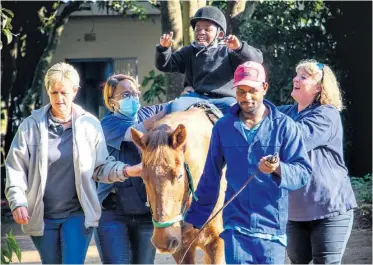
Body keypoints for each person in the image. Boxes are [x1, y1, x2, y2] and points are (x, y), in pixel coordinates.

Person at [4, 62, 141, 264]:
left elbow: (100, 167)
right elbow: (16, 167)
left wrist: (128, 170)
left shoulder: (89, 124)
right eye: (54, 92)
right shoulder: (30, 126)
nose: (59, 99)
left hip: (78, 214)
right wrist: (18, 202)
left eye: (64, 92)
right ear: (48, 91)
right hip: (42, 216)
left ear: (75, 91)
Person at [183, 61, 312, 264]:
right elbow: (210, 177)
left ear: (264, 88)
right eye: (241, 91)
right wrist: (194, 218)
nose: (246, 97)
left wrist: (278, 168)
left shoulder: (285, 126)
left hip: (272, 229)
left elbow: (303, 172)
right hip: (236, 228)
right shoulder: (223, 127)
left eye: (252, 90)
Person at [278, 59, 357, 264]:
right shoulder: (285, 113)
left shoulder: (327, 114)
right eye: (296, 75)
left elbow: (298, 139)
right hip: (294, 213)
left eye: (303, 77)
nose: (296, 78)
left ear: (319, 87)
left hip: (330, 209)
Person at [94, 74, 171, 264]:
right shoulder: (107, 124)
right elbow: (135, 133)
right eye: (126, 95)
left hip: (145, 212)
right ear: (112, 102)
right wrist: (164, 113)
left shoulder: (146, 113)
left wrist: (182, 101)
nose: (133, 98)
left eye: (135, 93)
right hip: (113, 212)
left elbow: (172, 107)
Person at [155, 6, 263, 114]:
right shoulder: (188, 51)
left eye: (207, 29)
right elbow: (165, 65)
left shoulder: (229, 51)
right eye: (197, 29)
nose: (201, 32)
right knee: (175, 106)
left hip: (224, 98)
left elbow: (256, 60)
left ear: (219, 34)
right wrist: (163, 48)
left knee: (236, 112)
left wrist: (239, 48)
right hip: (194, 96)